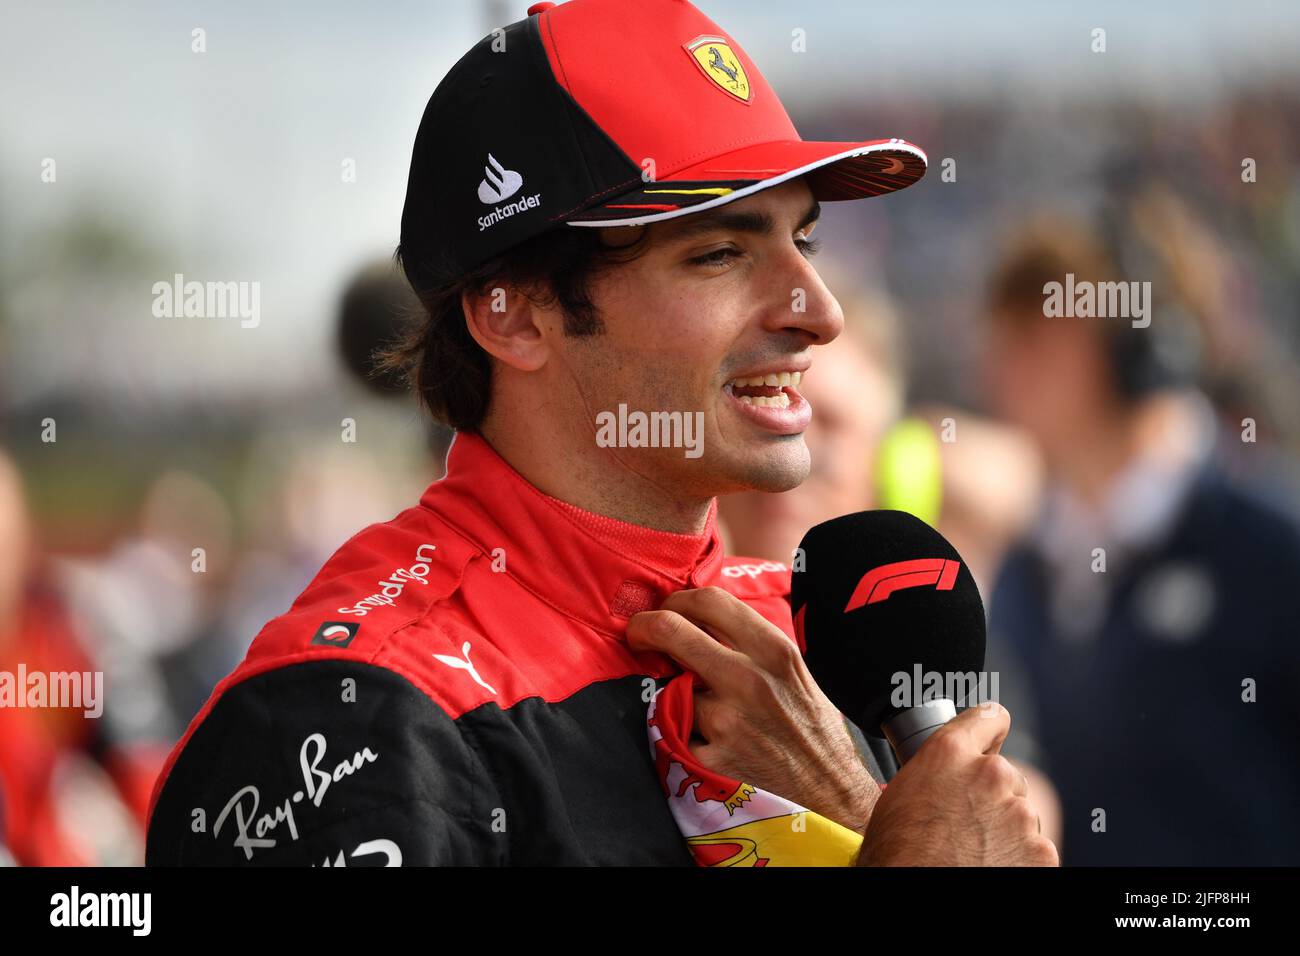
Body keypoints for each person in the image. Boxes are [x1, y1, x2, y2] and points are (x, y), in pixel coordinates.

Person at [145, 0, 1055, 867]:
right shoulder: (351, 718)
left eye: (803, 243)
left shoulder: (814, 640)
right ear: (516, 317)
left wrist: (864, 815)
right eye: (721, 252)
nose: (817, 312)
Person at [981, 209, 1300, 864]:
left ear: (1144, 352)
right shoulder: (1016, 562)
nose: (1005, 371)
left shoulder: (1276, 553)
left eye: (1037, 340)